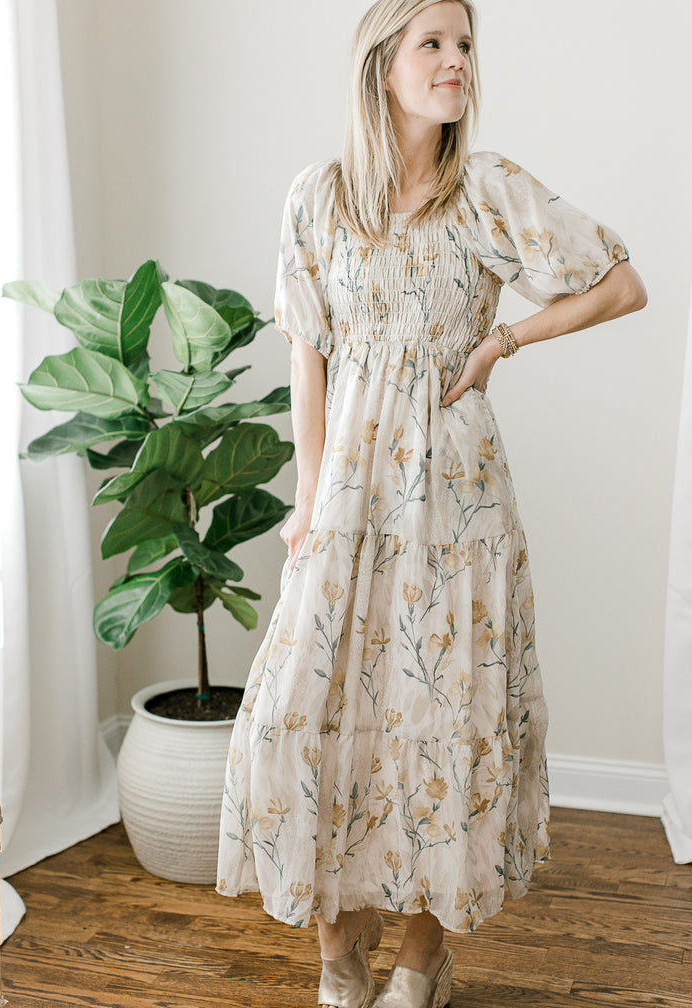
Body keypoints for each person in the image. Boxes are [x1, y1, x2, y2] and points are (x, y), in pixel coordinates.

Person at [215, 1, 647, 1006]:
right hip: (347, 496)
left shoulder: (485, 189)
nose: (457, 62)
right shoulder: (319, 196)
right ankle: (338, 953)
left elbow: (620, 285)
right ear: (383, 64)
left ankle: (421, 961)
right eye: (435, 44)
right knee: (299, 720)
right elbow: (307, 358)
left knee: (442, 725)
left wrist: (505, 341)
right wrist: (307, 498)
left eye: (466, 46)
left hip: (457, 502)